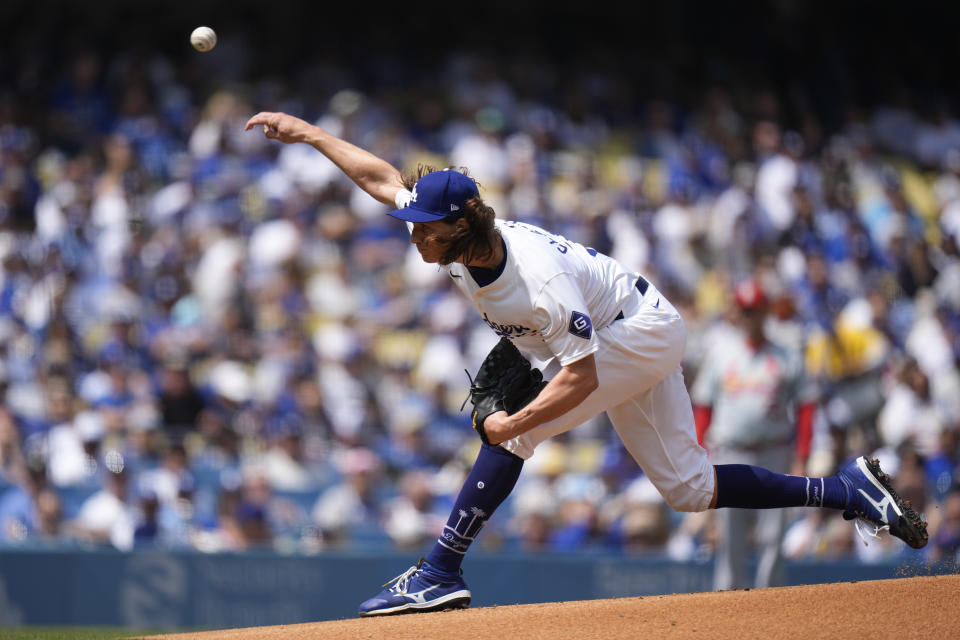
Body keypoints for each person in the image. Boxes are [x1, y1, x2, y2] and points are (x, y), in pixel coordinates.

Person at [244, 111, 928, 616]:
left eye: (425, 224)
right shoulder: (453, 244)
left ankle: (439, 568)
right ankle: (847, 491)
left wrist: (511, 428)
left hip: (638, 332)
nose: (413, 231)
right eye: (416, 222)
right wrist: (309, 135)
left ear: (460, 225)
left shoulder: (534, 279)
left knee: (523, 426)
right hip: (619, 331)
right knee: (689, 489)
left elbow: (585, 376)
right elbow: (382, 181)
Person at [691, 278, 816, 590]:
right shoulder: (721, 352)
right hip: (730, 452)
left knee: (773, 535)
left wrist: (802, 457)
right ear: (737, 312)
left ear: (766, 311)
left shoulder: (786, 355)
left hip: (774, 450)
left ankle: (769, 604)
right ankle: (729, 607)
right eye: (746, 310)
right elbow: (703, 408)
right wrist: (698, 454)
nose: (751, 317)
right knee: (729, 533)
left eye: (756, 310)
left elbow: (807, 407)